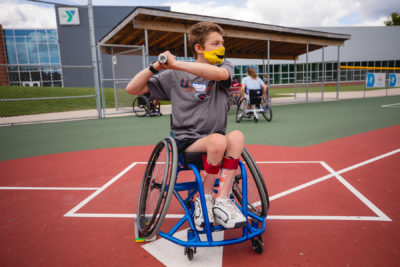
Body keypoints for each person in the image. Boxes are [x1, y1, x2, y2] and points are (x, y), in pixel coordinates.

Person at [126, 22, 247, 230]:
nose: (221, 48)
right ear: (199, 48)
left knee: (236, 136)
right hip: (188, 142)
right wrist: (155, 67)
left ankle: (222, 201)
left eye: (222, 43)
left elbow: (218, 76)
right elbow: (132, 88)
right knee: (218, 141)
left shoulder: (224, 67)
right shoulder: (175, 76)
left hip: (216, 139)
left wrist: (176, 64)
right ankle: (203, 199)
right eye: (215, 43)